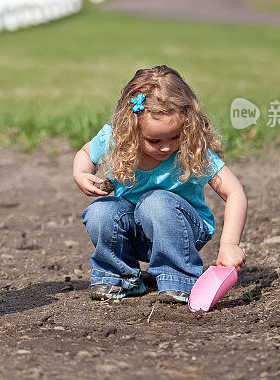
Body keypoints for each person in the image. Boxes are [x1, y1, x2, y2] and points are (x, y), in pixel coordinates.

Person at [72, 65, 248, 303]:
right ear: (131, 129)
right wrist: (81, 174)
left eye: (175, 136)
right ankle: (120, 278)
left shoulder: (191, 150)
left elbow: (234, 191)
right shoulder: (116, 140)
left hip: (184, 232)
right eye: (154, 140)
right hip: (136, 233)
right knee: (100, 211)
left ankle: (180, 278)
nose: (166, 147)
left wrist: (230, 244)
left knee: (154, 202)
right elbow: (85, 153)